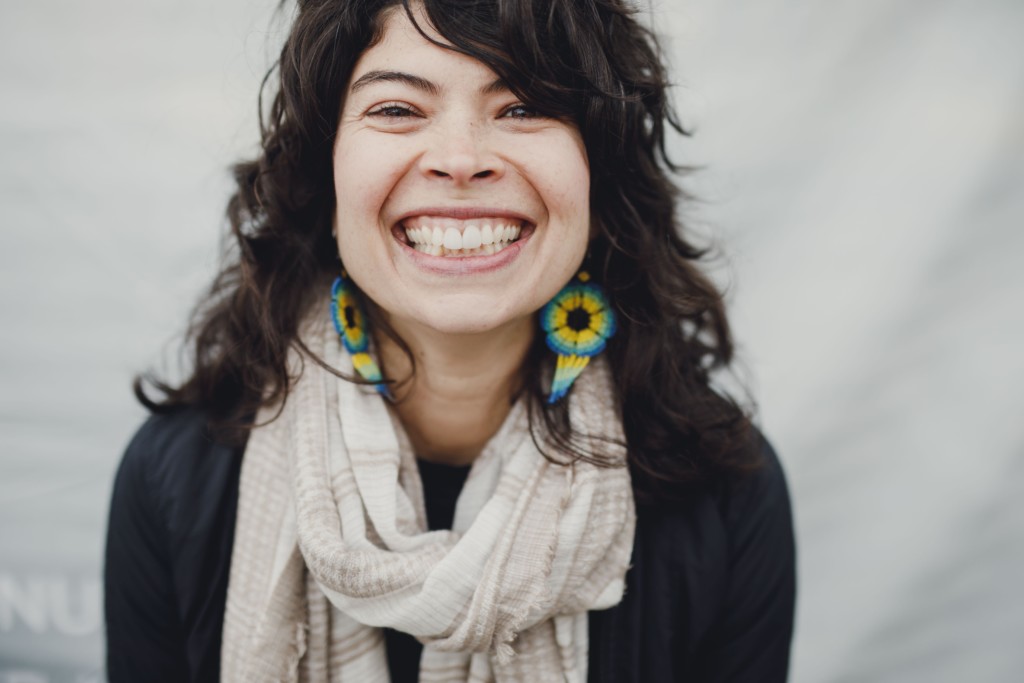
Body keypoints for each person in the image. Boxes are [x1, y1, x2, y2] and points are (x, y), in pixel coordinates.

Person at [104, 0, 796, 681]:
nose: (461, 160)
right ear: (326, 174)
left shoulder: (726, 496)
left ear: (598, 174)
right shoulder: (176, 479)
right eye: (397, 109)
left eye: (524, 106)